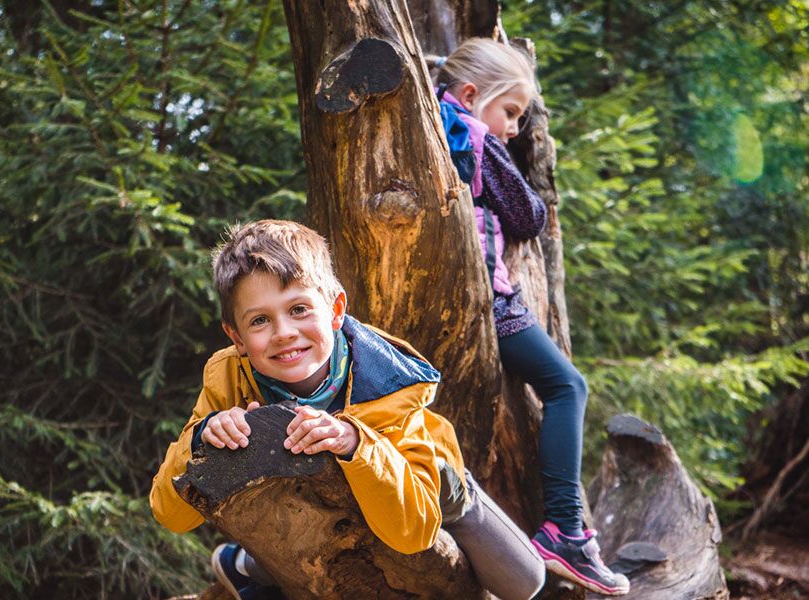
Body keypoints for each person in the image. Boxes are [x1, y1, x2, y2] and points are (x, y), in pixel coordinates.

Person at [150, 220, 545, 600]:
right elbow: (170, 514)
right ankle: (247, 565)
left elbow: (414, 532)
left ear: (336, 309)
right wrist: (204, 437)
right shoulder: (228, 377)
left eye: (299, 309)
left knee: (525, 582)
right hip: (320, 514)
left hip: (428, 490)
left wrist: (355, 440)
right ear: (236, 336)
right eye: (259, 320)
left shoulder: (390, 384)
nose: (284, 332)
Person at [427, 38, 630, 596]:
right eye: (510, 111)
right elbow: (529, 214)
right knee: (568, 385)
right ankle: (565, 530)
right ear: (471, 94)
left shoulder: (434, 125)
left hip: (458, 301)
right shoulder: (473, 133)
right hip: (489, 304)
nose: (514, 128)